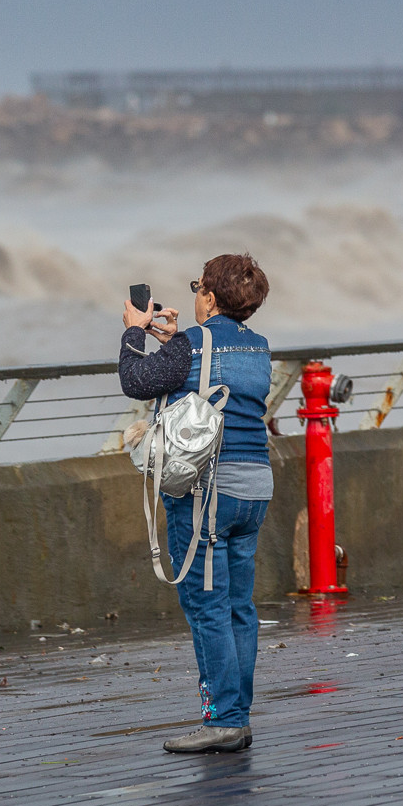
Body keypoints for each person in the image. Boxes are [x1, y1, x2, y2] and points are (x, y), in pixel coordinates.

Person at [119, 253, 272, 754]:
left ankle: (224, 721)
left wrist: (134, 331)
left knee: (207, 606)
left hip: (209, 493)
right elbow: (210, 381)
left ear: (209, 296)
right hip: (254, 489)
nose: (193, 294)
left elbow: (136, 382)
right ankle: (237, 715)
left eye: (197, 286)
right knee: (238, 608)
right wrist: (174, 343)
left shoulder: (194, 344)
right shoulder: (258, 346)